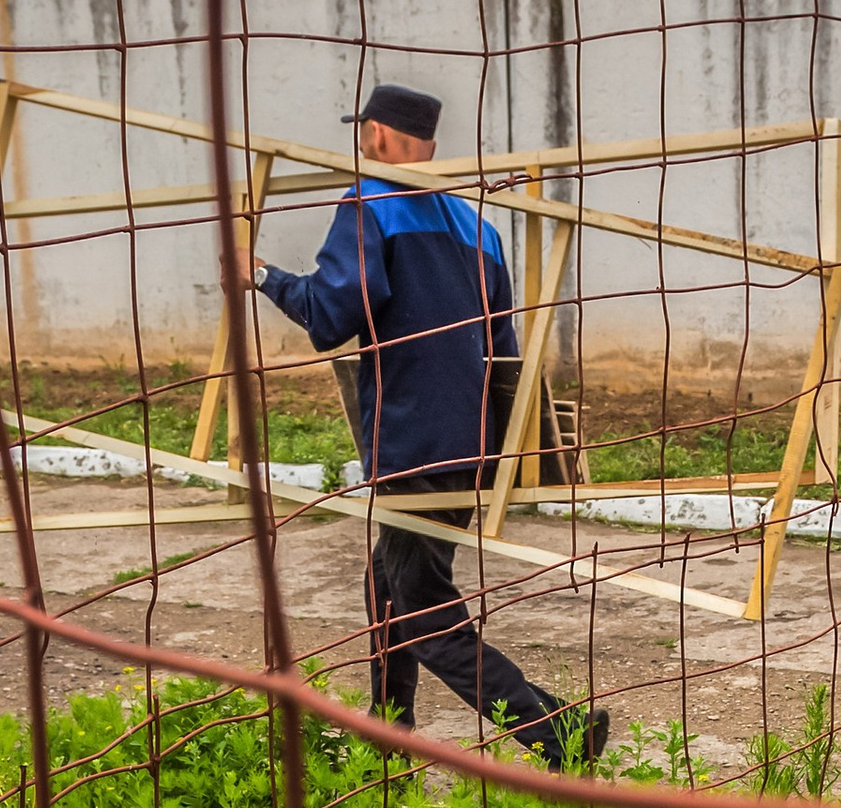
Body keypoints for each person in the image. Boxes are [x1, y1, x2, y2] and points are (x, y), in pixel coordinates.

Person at [254, 81, 607, 769]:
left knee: (424, 613)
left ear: (378, 135)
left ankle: (553, 733)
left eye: (363, 129)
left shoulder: (371, 205)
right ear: (433, 147)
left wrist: (264, 276)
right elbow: (503, 350)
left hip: (412, 445)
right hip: (469, 442)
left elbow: (332, 314)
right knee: (388, 581)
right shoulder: (479, 226)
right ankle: (390, 731)